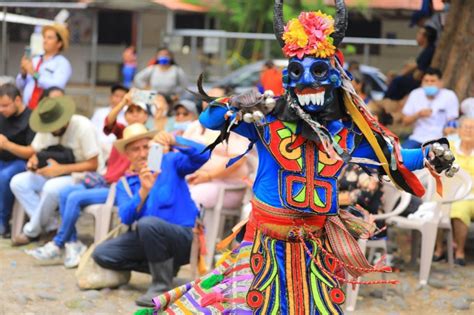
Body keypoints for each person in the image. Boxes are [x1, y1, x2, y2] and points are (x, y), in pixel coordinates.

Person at [150, 2, 458, 313]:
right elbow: (209, 121)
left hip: (315, 248)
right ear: (288, 78)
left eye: (319, 70)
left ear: (335, 78)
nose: (308, 81)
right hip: (265, 244)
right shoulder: (265, 121)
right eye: (298, 71)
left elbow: (394, 157)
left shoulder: (347, 134)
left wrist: (430, 153)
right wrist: (234, 102)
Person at [24, 88, 150, 268]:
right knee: (65, 192)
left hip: (122, 188)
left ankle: (58, 243)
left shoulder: (152, 140)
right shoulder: (123, 134)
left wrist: (160, 113)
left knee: (74, 196)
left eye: (140, 111)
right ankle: (73, 243)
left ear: (146, 115)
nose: (135, 115)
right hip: (105, 182)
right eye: (131, 111)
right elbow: (109, 122)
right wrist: (123, 102)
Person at [92, 124, 210, 307]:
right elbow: (126, 218)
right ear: (127, 155)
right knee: (103, 253)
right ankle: (165, 269)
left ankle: (161, 285)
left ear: (153, 146)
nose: (142, 153)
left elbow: (204, 154)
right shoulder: (125, 183)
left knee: (147, 224)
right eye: (135, 149)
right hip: (150, 239)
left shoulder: (170, 162)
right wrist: (143, 191)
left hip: (185, 237)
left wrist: (175, 140)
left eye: (146, 147)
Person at [10, 96, 101, 246]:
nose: (50, 130)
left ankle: (31, 231)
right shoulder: (45, 126)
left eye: (54, 127)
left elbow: (93, 164)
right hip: (51, 172)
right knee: (18, 182)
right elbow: (35, 151)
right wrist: (33, 162)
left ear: (64, 121)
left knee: (50, 188)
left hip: (81, 175)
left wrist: (62, 169)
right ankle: (51, 227)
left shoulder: (83, 127)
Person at [183, 87, 251, 209]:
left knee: (189, 199)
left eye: (216, 99)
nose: (210, 103)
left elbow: (238, 160)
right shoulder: (194, 126)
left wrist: (209, 176)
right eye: (207, 98)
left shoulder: (235, 126)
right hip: (193, 179)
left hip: (226, 186)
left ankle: (192, 228)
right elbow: (181, 152)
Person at [434, 117, 474, 266]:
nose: (469, 131)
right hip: (449, 191)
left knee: (459, 210)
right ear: (458, 131)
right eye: (466, 127)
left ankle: (459, 251)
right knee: (435, 206)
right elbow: (438, 167)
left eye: (472, 128)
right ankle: (439, 249)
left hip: (471, 196)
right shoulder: (449, 146)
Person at [0, 84, 36, 237]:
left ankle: (2, 221)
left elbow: (32, 151)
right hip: (2, 159)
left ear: (18, 100)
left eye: (5, 106)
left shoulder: (31, 118)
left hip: (20, 162)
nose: (1, 109)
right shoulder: (2, 115)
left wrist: (7, 145)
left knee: (5, 177)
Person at [16, 24, 72, 109]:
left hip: (46, 111)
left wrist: (34, 74)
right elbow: (20, 86)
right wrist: (23, 73)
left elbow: (57, 86)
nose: (45, 41)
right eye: (44, 37)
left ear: (59, 43)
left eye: (50, 38)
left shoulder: (62, 63)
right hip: (27, 109)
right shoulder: (35, 60)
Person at [402, 68, 459, 149]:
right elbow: (405, 121)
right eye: (426, 81)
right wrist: (418, 115)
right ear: (422, 82)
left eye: (432, 81)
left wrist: (449, 129)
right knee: (402, 155)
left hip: (440, 139)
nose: (429, 83)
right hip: (417, 138)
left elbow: (452, 120)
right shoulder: (415, 94)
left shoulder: (449, 96)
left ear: (440, 83)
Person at [385, 26, 437, 101]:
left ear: (426, 37)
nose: (417, 35)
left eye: (419, 33)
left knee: (397, 80)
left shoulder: (429, 51)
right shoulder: (426, 50)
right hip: (415, 79)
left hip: (419, 82)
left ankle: (386, 101)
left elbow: (418, 75)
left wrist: (401, 75)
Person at [90, 84, 129, 158]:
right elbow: (91, 130)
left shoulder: (128, 114)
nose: (119, 99)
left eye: (122, 97)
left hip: (118, 150)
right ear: (111, 97)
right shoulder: (100, 112)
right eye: (117, 96)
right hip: (98, 148)